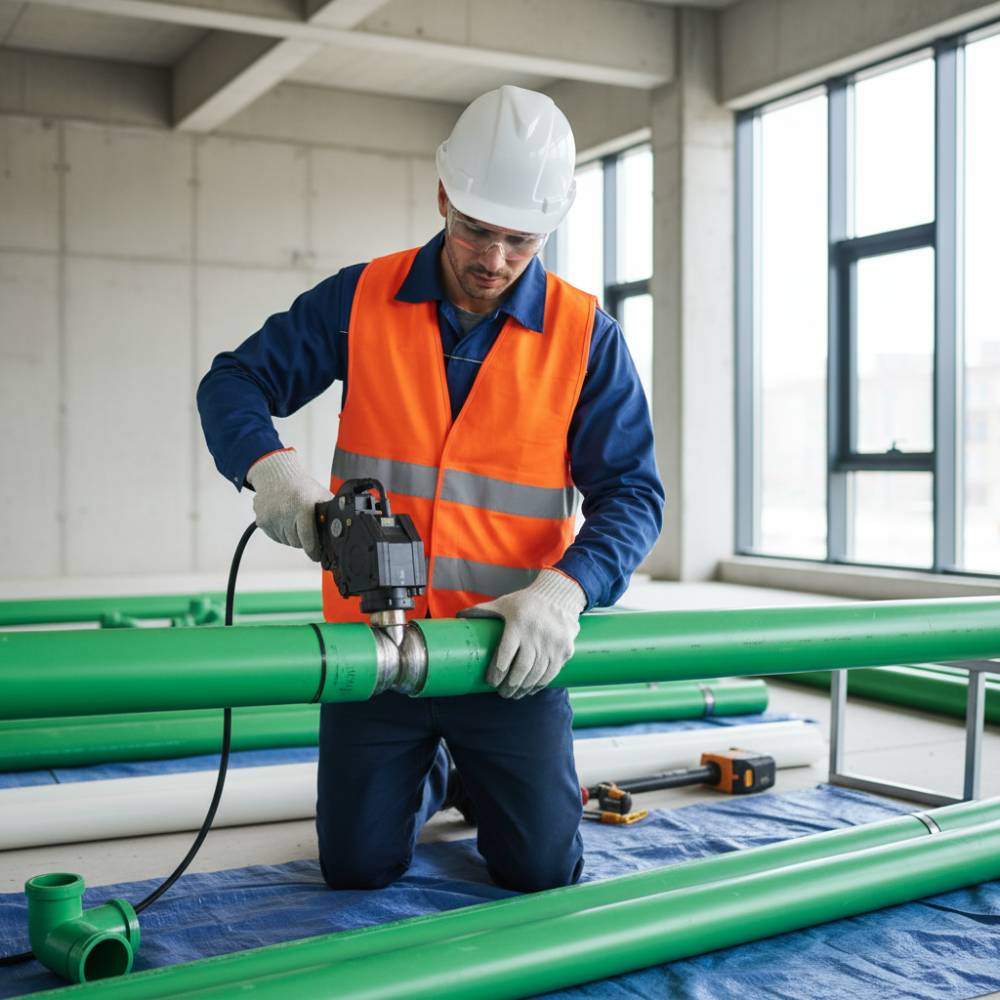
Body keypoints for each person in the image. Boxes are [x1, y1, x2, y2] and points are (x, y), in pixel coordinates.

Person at [198, 85, 664, 893]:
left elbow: (633, 495)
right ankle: (442, 774)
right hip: (374, 651)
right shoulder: (361, 298)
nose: (493, 259)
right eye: (477, 229)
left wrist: (566, 592)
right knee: (357, 868)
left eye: (520, 240)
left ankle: (475, 768)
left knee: (541, 872)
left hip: (507, 657)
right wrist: (267, 465)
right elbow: (234, 382)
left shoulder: (586, 337)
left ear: (549, 227)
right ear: (444, 194)